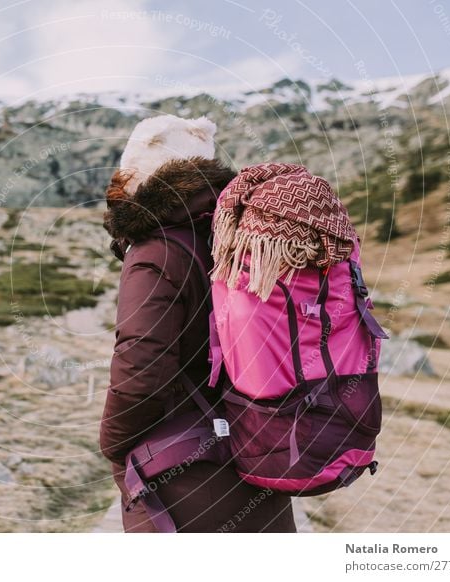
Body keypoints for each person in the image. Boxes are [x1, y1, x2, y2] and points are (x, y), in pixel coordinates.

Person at [99, 114, 297, 533]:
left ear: (141, 173)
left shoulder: (157, 250)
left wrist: (116, 445)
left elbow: (142, 364)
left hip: (187, 472)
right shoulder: (245, 236)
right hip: (260, 445)